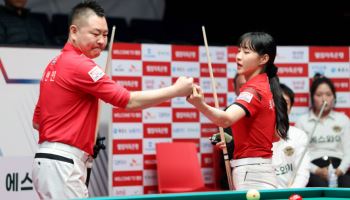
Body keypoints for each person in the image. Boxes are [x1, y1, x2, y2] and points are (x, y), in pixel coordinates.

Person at [31, 1, 193, 199]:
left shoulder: (54, 64)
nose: (101, 40)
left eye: (105, 35)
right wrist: (176, 91)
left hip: (50, 161)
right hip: (62, 164)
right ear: (74, 31)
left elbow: (37, 122)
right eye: (95, 33)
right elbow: (127, 100)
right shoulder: (81, 66)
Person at [188, 32, 289, 190]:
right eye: (239, 50)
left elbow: (226, 120)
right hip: (260, 169)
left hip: (252, 172)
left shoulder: (254, 90)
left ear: (264, 59)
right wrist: (234, 140)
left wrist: (200, 104)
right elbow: (273, 136)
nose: (238, 56)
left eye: (246, 52)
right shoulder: (266, 86)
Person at [295, 74, 350, 187]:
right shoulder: (302, 121)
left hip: (338, 168)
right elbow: (299, 156)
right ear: (312, 97)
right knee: (318, 185)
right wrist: (317, 171)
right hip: (313, 169)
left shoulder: (343, 119)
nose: (324, 99)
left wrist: (340, 170)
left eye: (328, 94)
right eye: (319, 95)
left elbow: (348, 152)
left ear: (334, 97)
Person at [272, 83, 310, 188]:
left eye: (286, 103)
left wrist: (292, 192)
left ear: (290, 108)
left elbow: (302, 173)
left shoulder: (299, 135)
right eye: (278, 102)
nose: (281, 107)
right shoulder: (257, 135)